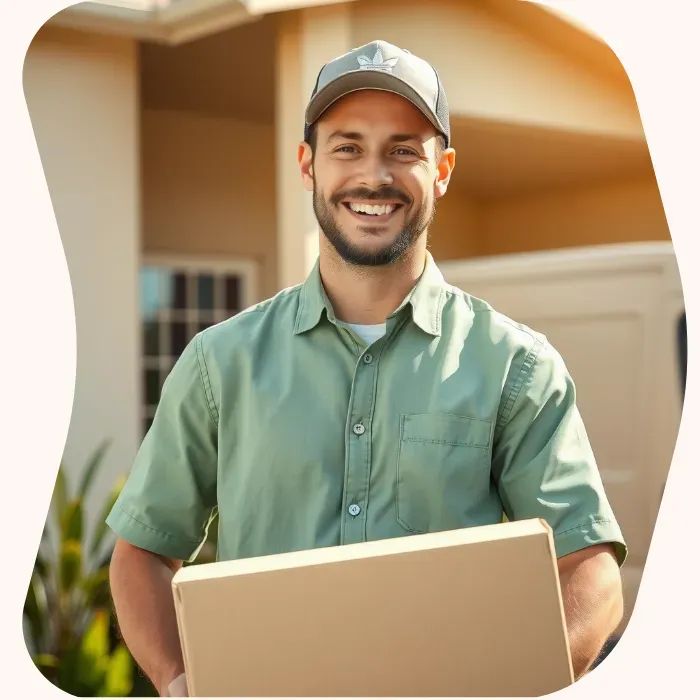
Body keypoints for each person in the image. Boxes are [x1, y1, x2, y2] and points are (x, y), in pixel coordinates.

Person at [107, 40, 627, 697]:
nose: (373, 176)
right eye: (347, 146)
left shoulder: (515, 368)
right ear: (308, 165)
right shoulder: (219, 363)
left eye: (403, 149)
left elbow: (588, 567)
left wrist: (529, 678)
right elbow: (143, 552)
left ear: (442, 170)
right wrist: (180, 680)